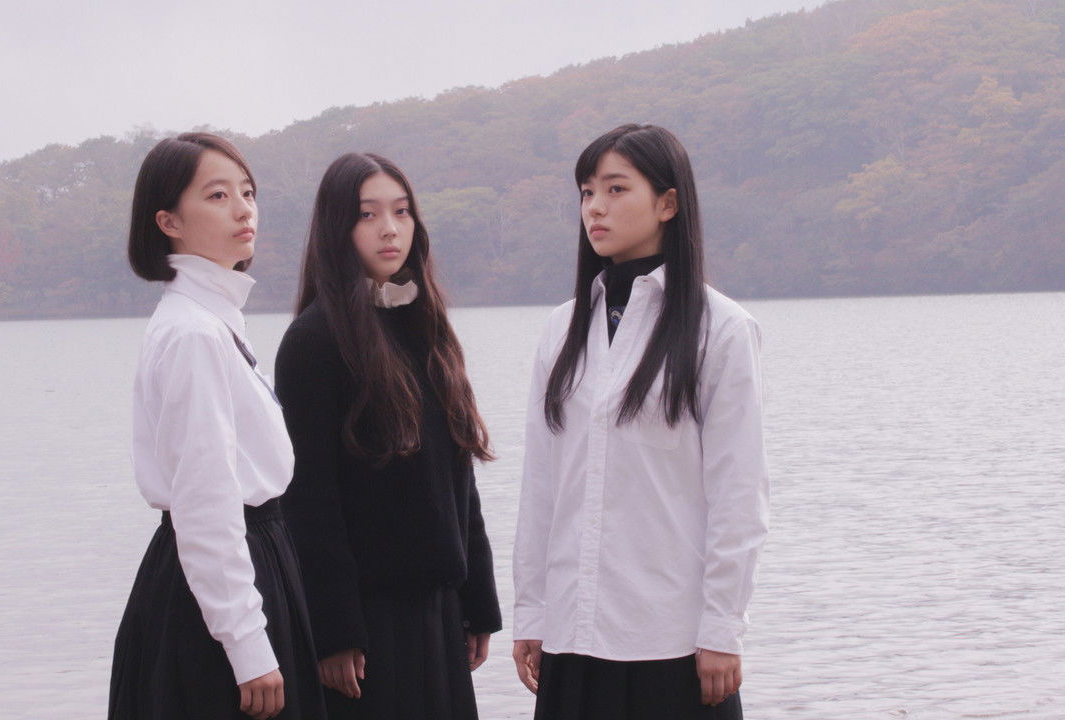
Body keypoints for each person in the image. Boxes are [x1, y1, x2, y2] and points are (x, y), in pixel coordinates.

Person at [512, 124, 769, 719]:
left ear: (668, 203)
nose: (595, 207)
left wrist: (723, 628)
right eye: (585, 192)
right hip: (573, 633)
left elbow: (739, 495)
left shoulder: (720, 330)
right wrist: (533, 612)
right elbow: (541, 488)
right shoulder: (561, 329)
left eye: (615, 189)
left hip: (673, 641)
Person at [274, 152, 502, 720]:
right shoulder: (313, 341)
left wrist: (478, 604)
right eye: (368, 214)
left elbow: (458, 479)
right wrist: (334, 632)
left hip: (440, 611)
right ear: (337, 228)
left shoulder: (426, 326)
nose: (389, 228)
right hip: (368, 627)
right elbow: (309, 500)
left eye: (401, 212)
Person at [109, 132, 325, 720]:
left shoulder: (213, 320)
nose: (242, 208)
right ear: (168, 221)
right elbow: (204, 500)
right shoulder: (194, 334)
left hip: (248, 562)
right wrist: (247, 643)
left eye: (248, 192)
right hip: (221, 580)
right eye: (217, 195)